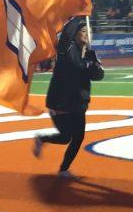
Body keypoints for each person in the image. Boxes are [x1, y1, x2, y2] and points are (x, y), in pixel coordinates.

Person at [32, 18, 104, 178]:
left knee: (77, 137)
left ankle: (63, 169)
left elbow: (99, 75)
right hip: (61, 101)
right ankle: (42, 140)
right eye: (83, 30)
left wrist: (94, 65)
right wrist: (80, 13)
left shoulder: (90, 53)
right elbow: (77, 65)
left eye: (88, 31)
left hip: (78, 102)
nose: (86, 34)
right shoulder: (67, 48)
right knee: (66, 137)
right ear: (76, 33)